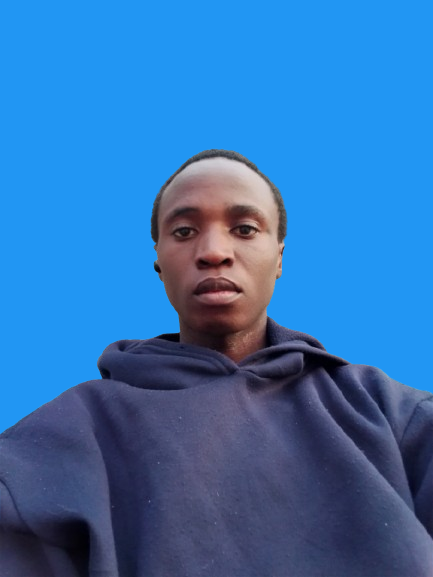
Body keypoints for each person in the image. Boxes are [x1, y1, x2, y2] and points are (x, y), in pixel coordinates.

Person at [0, 149, 432, 577]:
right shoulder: (65, 435)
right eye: (185, 231)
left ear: (279, 257)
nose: (213, 251)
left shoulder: (389, 413)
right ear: (158, 261)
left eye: (245, 229)